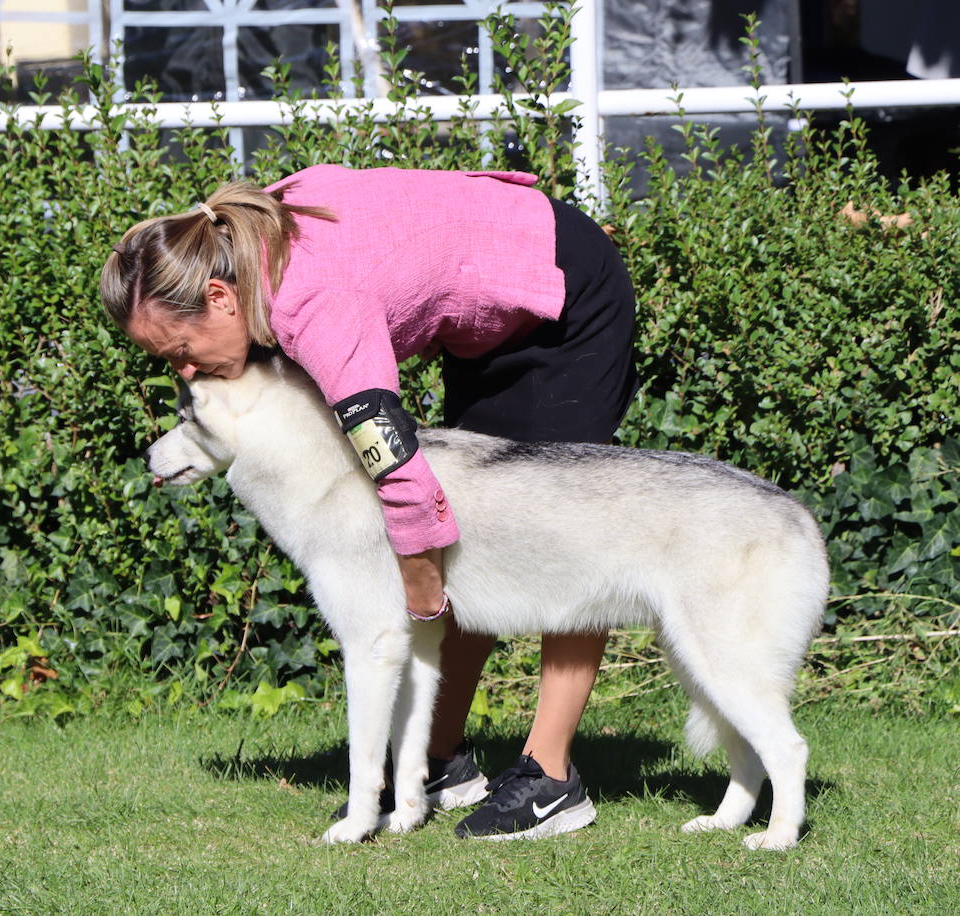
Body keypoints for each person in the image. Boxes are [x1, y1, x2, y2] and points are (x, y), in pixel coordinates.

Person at [100, 164, 638, 840]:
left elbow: (397, 464)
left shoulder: (315, 305)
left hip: (565, 293)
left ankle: (551, 776)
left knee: (565, 530)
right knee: (466, 533)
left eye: (180, 350)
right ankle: (438, 763)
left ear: (219, 296)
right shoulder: (247, 244)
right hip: (489, 322)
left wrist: (418, 577)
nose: (184, 372)